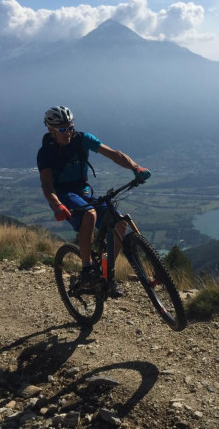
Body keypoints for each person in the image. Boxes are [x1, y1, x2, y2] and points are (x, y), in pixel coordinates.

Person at [37, 106, 151, 297]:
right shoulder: (46, 153)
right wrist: (57, 205)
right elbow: (47, 185)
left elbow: (114, 154)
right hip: (62, 196)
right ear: (51, 129)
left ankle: (107, 275)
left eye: (70, 127)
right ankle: (87, 269)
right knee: (90, 214)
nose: (68, 132)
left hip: (82, 191)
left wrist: (135, 167)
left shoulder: (83, 139)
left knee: (119, 223)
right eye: (63, 129)